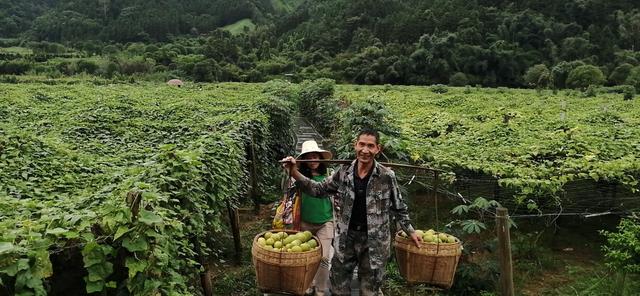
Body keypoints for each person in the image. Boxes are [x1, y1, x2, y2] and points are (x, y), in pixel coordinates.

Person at [282, 129, 421, 296]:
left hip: (374, 244)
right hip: (345, 240)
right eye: (361, 144)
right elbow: (319, 190)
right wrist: (294, 172)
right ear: (355, 145)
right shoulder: (343, 172)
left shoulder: (386, 176)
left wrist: (410, 231)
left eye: (370, 146)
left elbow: (399, 207)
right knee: (339, 289)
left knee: (369, 291)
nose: (365, 150)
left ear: (378, 149)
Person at [295, 140, 335, 296]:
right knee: (307, 257)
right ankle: (309, 285)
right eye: (309, 157)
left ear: (320, 158)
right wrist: (291, 169)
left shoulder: (329, 175)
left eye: (315, 156)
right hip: (305, 222)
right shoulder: (299, 178)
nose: (313, 160)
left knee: (324, 258)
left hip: (326, 221)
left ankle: (319, 290)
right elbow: (286, 182)